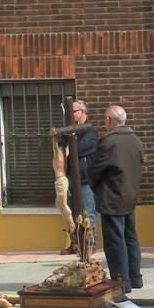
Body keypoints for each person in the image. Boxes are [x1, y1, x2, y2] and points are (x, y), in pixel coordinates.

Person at [89, 104, 144, 293]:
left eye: (106, 119)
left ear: (110, 120)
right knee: (130, 236)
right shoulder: (135, 140)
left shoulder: (108, 142)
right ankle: (135, 277)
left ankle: (122, 281)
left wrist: (94, 186)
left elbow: (95, 170)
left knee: (115, 241)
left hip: (112, 195)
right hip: (130, 194)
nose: (105, 122)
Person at [62, 99, 99, 243]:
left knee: (88, 212)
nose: (71, 114)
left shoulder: (90, 130)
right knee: (73, 213)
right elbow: (62, 147)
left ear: (82, 112)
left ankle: (91, 244)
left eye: (74, 111)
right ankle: (76, 244)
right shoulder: (69, 130)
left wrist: (72, 141)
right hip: (71, 178)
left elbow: (78, 150)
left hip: (85, 179)